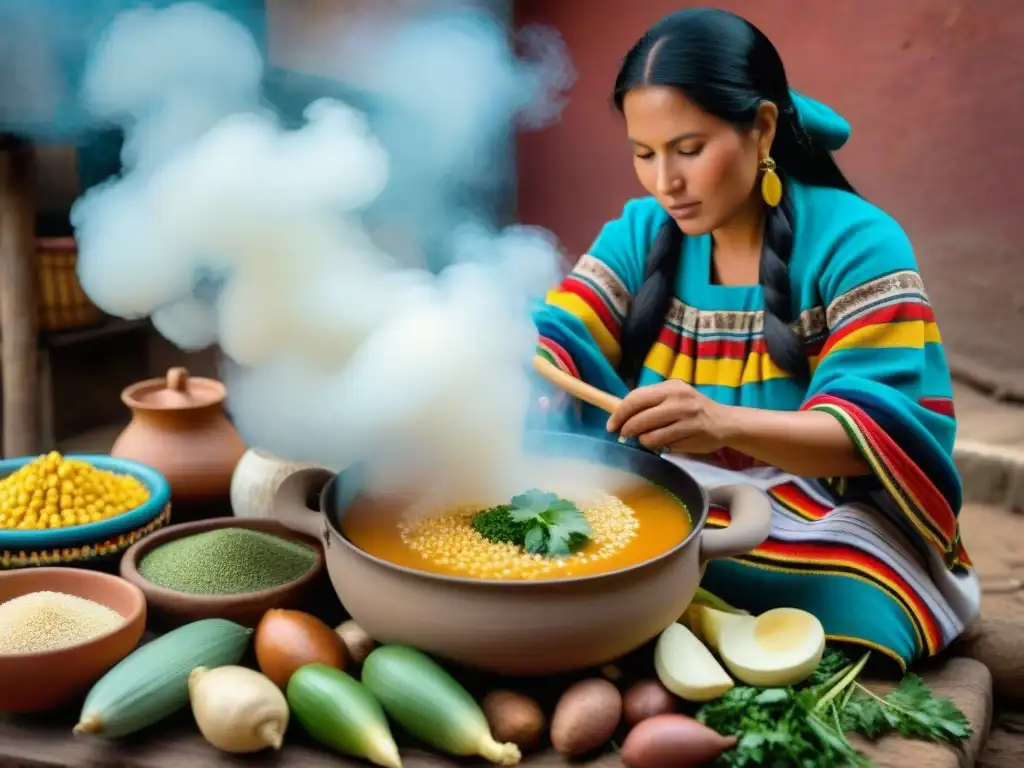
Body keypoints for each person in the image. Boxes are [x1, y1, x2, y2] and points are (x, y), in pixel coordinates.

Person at [531, 7, 979, 671]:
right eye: (643, 154)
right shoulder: (636, 231)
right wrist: (519, 373)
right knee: (543, 500)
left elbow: (875, 435)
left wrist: (719, 422)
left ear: (762, 127)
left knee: (861, 579)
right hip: (662, 491)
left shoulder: (859, 241)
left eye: (688, 150)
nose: (664, 184)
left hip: (813, 512)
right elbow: (561, 335)